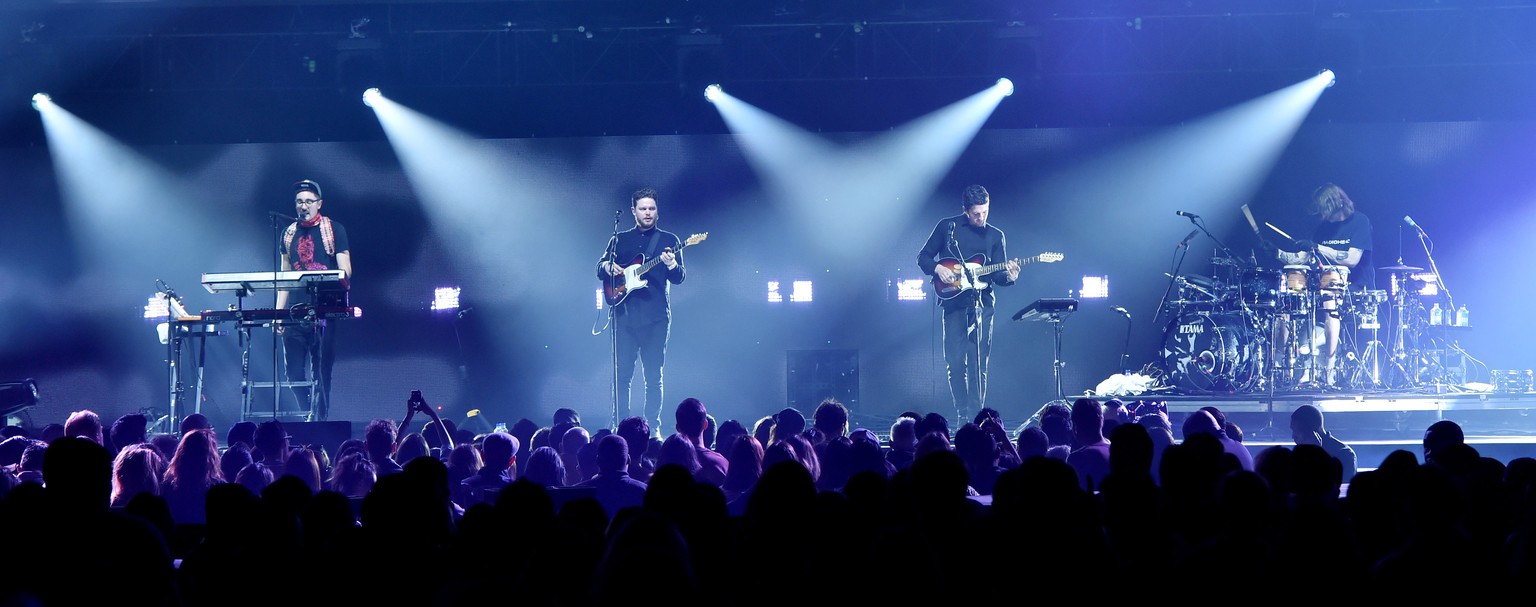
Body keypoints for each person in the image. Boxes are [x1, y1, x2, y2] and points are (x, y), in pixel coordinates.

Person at [917, 184, 1021, 421]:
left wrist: (1010, 276)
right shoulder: (947, 228)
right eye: (976, 213)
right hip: (953, 305)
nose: (981, 217)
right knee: (955, 363)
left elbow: (998, 275)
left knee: (978, 365)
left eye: (985, 212)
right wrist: (937, 268)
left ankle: (976, 418)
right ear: (965, 210)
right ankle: (962, 413)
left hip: (982, 306)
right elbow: (923, 257)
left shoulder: (996, 235)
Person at [1262, 182, 1373, 388]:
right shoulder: (1323, 228)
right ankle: (1282, 367)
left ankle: (1328, 369)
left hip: (1356, 286)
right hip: (1324, 282)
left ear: (1333, 204)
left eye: (1323, 209)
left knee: (1330, 305)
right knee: (1289, 306)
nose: (1321, 215)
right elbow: (1304, 257)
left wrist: (1318, 247)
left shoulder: (1360, 221)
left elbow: (1351, 259)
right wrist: (1277, 253)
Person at [598, 187, 686, 431]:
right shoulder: (620, 239)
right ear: (633, 211)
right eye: (643, 209)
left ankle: (652, 428)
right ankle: (621, 426)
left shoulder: (669, 241)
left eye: (652, 209)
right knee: (622, 376)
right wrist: (607, 266)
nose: (648, 213)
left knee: (653, 377)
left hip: (656, 318)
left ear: (657, 211)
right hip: (624, 317)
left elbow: (679, 278)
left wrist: (672, 264)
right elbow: (599, 267)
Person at [274, 178, 352, 420]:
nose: (303, 205)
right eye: (299, 201)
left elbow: (346, 270)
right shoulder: (288, 234)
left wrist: (332, 282)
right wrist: (279, 313)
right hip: (295, 314)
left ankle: (320, 420)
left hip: (324, 312)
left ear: (319, 203)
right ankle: (307, 415)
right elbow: (284, 277)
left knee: (321, 370)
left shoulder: (333, 229)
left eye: (308, 201)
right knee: (293, 372)